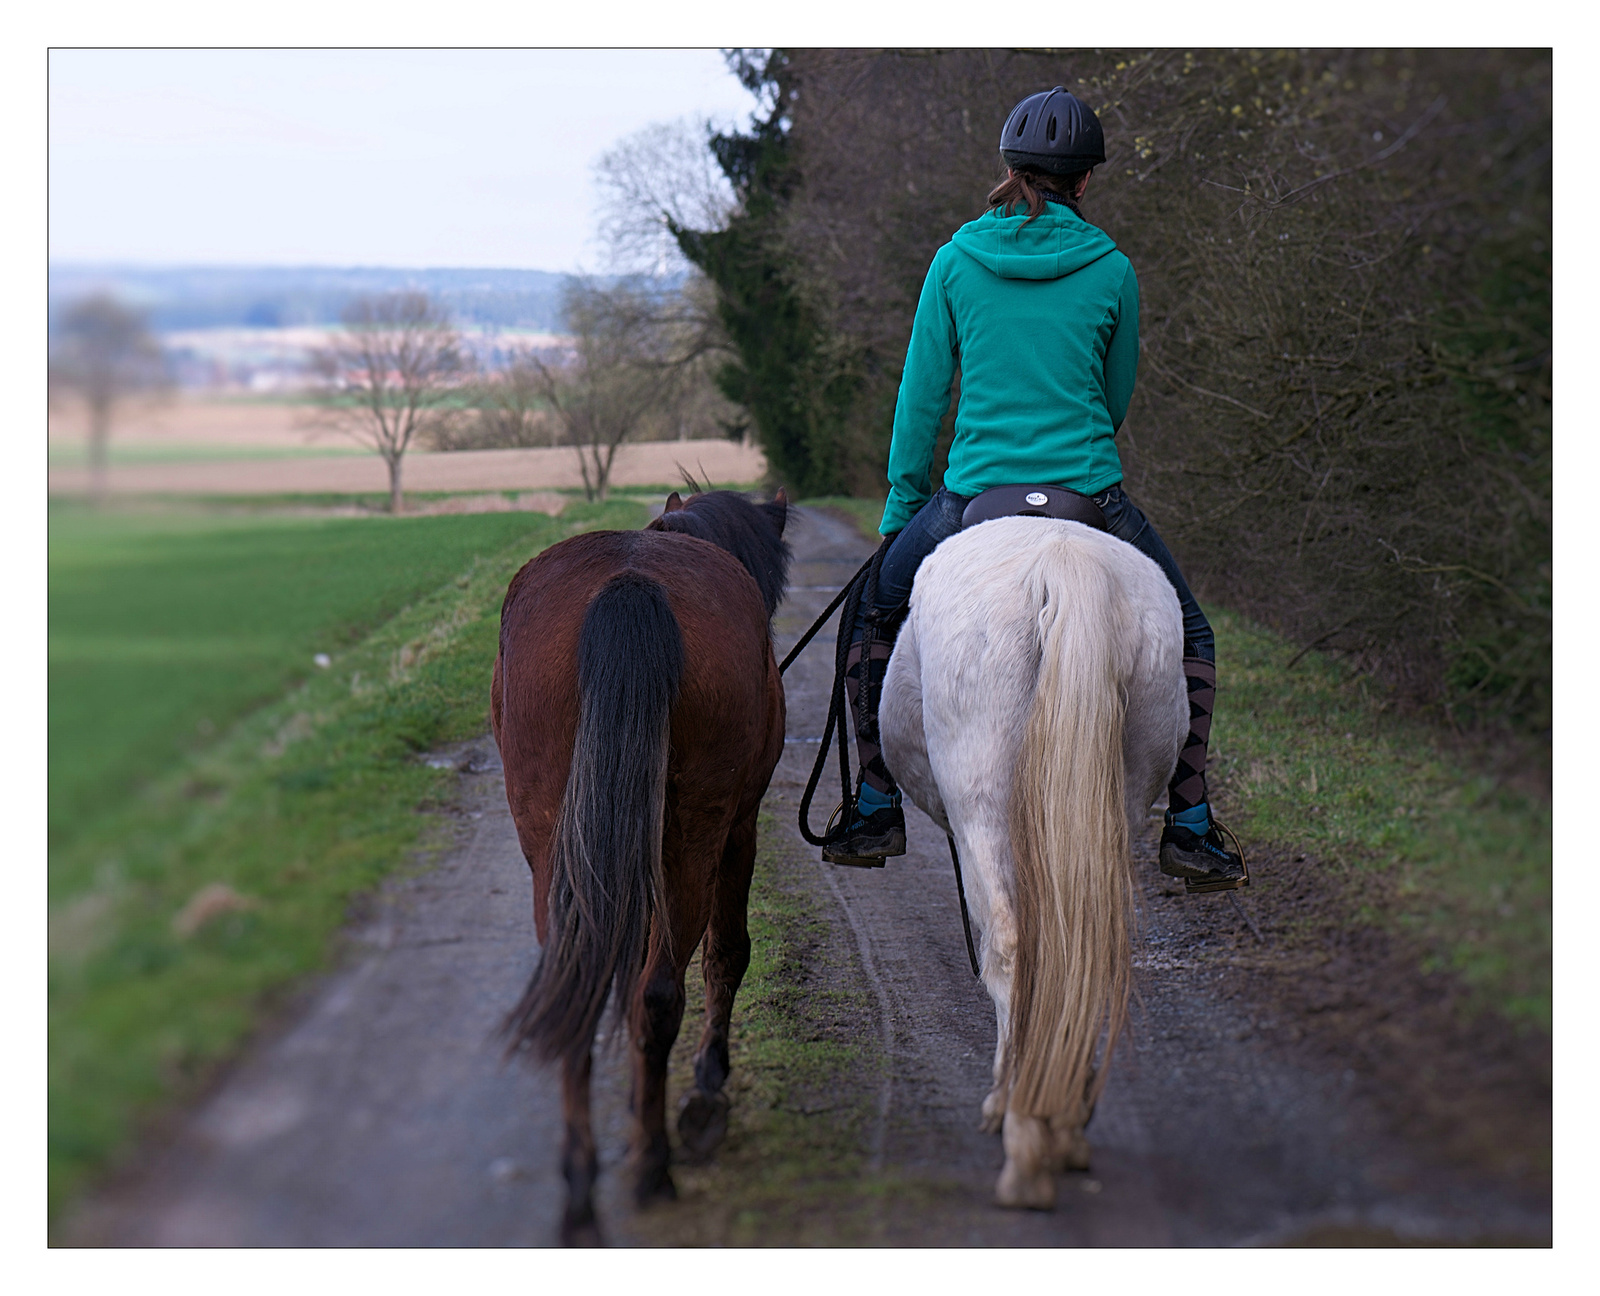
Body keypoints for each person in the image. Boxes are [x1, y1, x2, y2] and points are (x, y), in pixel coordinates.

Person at [820, 86, 1246, 888]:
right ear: (1085, 181)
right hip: (1092, 495)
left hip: (973, 495)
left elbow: (920, 404)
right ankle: (1189, 822)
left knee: (871, 613)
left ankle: (875, 801)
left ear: (1011, 170)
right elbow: (1112, 402)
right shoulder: (1113, 269)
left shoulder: (954, 262)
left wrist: (903, 506)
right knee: (1191, 635)